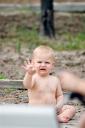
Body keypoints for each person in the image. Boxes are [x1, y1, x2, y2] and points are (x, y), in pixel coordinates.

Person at [23, 45, 76, 123]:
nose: (43, 64)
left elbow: (59, 95)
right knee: (26, 113)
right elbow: (27, 85)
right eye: (39, 62)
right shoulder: (33, 78)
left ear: (52, 65)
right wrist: (29, 74)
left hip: (52, 110)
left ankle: (58, 118)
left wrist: (59, 105)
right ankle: (48, 119)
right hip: (35, 110)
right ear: (33, 63)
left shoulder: (55, 80)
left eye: (47, 62)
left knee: (71, 109)